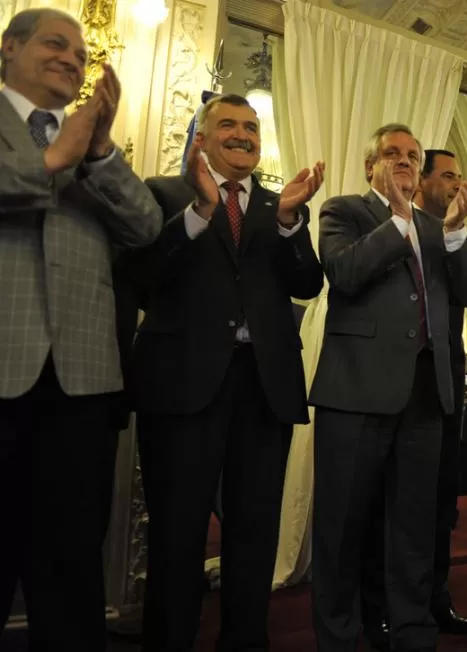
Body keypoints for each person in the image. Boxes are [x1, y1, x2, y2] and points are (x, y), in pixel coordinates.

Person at [129, 93, 325, 649]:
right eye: (230, 125)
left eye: (252, 127)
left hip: (264, 388)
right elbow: (143, 277)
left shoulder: (277, 204)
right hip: (182, 385)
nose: (243, 135)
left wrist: (290, 224)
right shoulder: (165, 192)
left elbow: (307, 284)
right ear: (202, 137)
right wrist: (200, 212)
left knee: (254, 530)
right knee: (177, 530)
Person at [0, 8, 162, 648]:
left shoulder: (93, 150)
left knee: (69, 564)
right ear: (9, 48)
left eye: (80, 51)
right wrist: (48, 161)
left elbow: (147, 226)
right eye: (54, 43)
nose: (72, 57)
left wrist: (95, 152)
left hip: (84, 382)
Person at [308, 124, 467, 652]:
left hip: (426, 394)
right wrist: (401, 220)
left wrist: (453, 232)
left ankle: (411, 631)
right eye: (393, 154)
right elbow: (344, 272)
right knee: (342, 525)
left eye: (413, 155)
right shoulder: (343, 211)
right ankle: (339, 635)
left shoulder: (436, 227)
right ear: (371, 167)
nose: (406, 161)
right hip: (356, 390)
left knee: (413, 524)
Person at [358, 149, 467, 648]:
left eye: (460, 175)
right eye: (448, 175)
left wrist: (456, 232)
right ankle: (378, 605)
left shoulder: (450, 234)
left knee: (437, 500)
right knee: (382, 503)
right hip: (387, 379)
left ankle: (434, 597)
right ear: (424, 181)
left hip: (443, 381)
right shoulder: (388, 224)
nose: (457, 183)